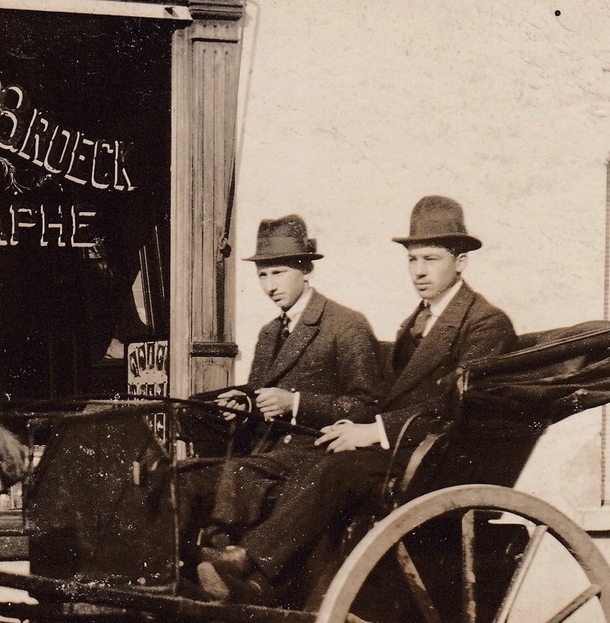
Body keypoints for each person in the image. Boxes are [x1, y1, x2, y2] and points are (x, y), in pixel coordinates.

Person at [198, 195, 517, 602]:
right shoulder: (416, 321)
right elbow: (393, 396)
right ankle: (262, 583)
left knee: (337, 471)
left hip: (433, 459)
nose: (418, 271)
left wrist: (373, 431)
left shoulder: (485, 323)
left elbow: (457, 406)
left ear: (460, 261)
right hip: (401, 446)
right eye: (412, 259)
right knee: (319, 462)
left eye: (431, 259)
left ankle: (248, 561)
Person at [178, 214, 381, 539]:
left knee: (233, 478)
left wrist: (296, 403)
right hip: (263, 455)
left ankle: (225, 559)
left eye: (279, 272)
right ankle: (189, 570)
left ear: (305, 269)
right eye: (262, 275)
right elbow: (261, 393)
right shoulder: (269, 332)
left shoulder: (346, 326)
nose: (270, 286)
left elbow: (366, 406)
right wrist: (244, 401)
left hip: (314, 458)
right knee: (184, 477)